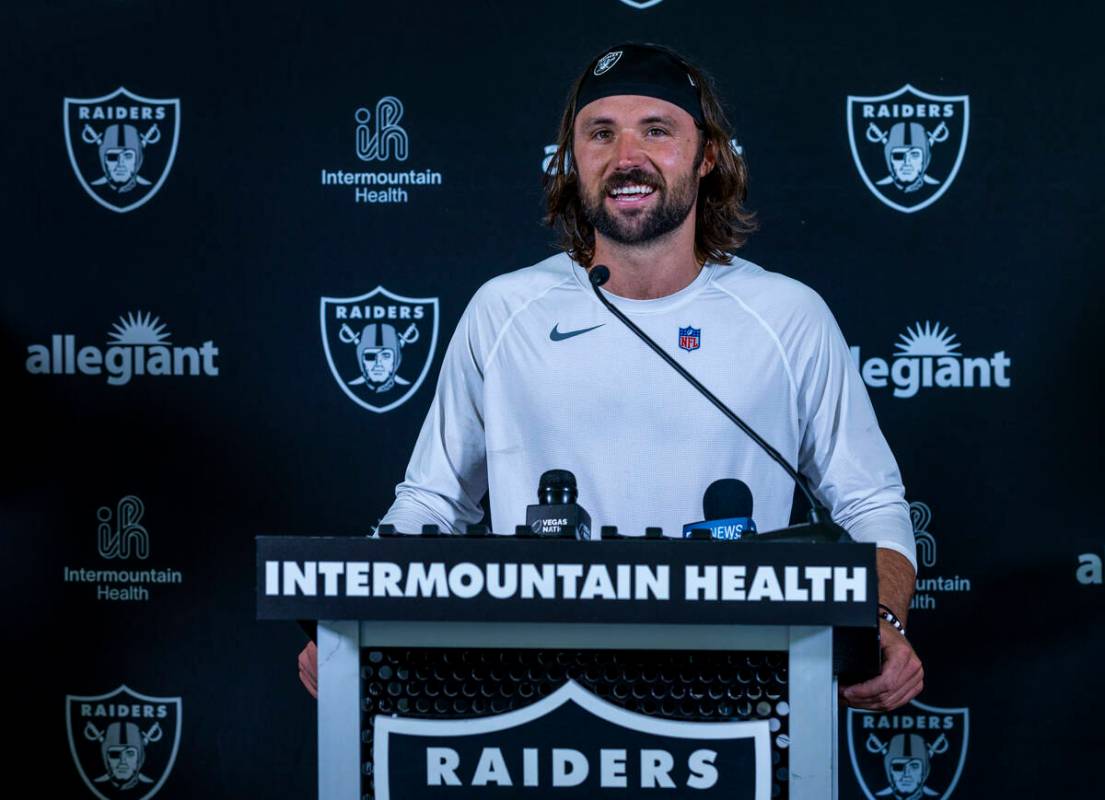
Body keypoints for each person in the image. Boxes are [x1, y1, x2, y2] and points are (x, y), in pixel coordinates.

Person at [300, 42, 923, 713]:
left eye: (656, 130)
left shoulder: (785, 315)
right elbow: (431, 503)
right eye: (601, 134)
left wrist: (884, 620)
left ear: (707, 154)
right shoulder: (504, 310)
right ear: (573, 160)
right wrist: (352, 619)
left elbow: (869, 502)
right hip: (534, 697)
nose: (626, 156)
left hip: (740, 692)